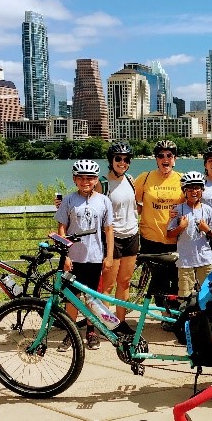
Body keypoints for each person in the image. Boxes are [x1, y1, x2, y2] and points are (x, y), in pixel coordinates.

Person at [54, 159, 114, 351]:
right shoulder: (69, 200)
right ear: (74, 179)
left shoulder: (104, 201)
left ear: (96, 180)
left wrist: (109, 255)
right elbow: (62, 227)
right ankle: (71, 332)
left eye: (90, 178)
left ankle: (91, 331)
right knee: (72, 297)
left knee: (91, 297)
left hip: (95, 257)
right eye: (81, 178)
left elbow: (108, 230)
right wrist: (65, 255)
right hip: (73, 259)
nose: (85, 181)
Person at [134, 140, 184, 318]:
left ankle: (174, 313)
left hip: (176, 239)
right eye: (161, 155)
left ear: (174, 159)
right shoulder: (145, 178)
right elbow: (128, 200)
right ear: (156, 159)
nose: (165, 159)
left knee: (177, 279)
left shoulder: (182, 179)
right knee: (158, 280)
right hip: (151, 239)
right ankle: (163, 315)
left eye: (169, 155)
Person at [96, 142, 139, 332]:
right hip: (112, 239)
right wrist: (62, 203)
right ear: (111, 160)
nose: (122, 162)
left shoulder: (130, 179)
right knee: (108, 286)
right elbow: (87, 202)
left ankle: (120, 322)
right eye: (118, 159)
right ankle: (106, 324)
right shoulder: (102, 183)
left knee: (125, 282)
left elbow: (133, 207)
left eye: (126, 159)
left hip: (131, 235)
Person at [167, 171, 212, 297]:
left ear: (202, 190)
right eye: (189, 189)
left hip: (205, 259)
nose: (193, 192)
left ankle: (206, 315)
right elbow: (169, 234)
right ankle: (186, 316)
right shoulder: (178, 210)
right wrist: (181, 227)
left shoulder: (207, 209)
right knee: (185, 295)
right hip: (185, 261)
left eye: (197, 188)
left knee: (208, 293)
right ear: (184, 190)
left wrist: (206, 229)